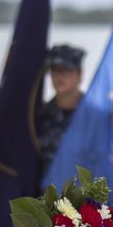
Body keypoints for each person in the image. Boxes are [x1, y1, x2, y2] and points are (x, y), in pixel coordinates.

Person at [38, 44, 85, 174]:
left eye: (66, 70)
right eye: (55, 70)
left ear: (80, 73)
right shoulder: (40, 117)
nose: (60, 76)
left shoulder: (96, 117)